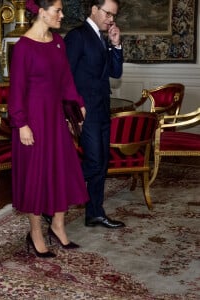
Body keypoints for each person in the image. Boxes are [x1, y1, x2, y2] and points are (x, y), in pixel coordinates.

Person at [8, 0, 89, 257]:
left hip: (54, 119)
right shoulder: (23, 47)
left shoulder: (58, 42)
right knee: (36, 176)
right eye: (57, 10)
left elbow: (66, 79)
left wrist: (78, 104)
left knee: (62, 170)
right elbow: (16, 91)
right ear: (42, 13)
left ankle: (58, 226)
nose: (62, 15)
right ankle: (35, 234)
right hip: (32, 121)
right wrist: (21, 124)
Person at [64, 0, 125, 228]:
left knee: (102, 163)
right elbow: (65, 77)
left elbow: (115, 72)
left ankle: (95, 212)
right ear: (94, 9)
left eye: (113, 15)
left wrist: (116, 45)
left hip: (102, 109)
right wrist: (69, 113)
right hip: (84, 111)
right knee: (93, 161)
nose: (111, 19)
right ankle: (55, 190)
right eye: (108, 14)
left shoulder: (103, 37)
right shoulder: (77, 36)